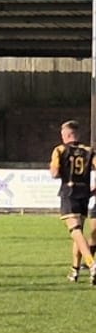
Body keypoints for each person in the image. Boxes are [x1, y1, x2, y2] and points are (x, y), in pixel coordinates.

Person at [49, 119, 96, 283]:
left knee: (75, 231)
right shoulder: (89, 151)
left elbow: (54, 173)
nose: (61, 137)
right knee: (78, 233)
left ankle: (91, 264)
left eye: (62, 134)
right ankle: (74, 271)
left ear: (68, 135)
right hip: (84, 194)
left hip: (69, 193)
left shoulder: (60, 150)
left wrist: (57, 169)